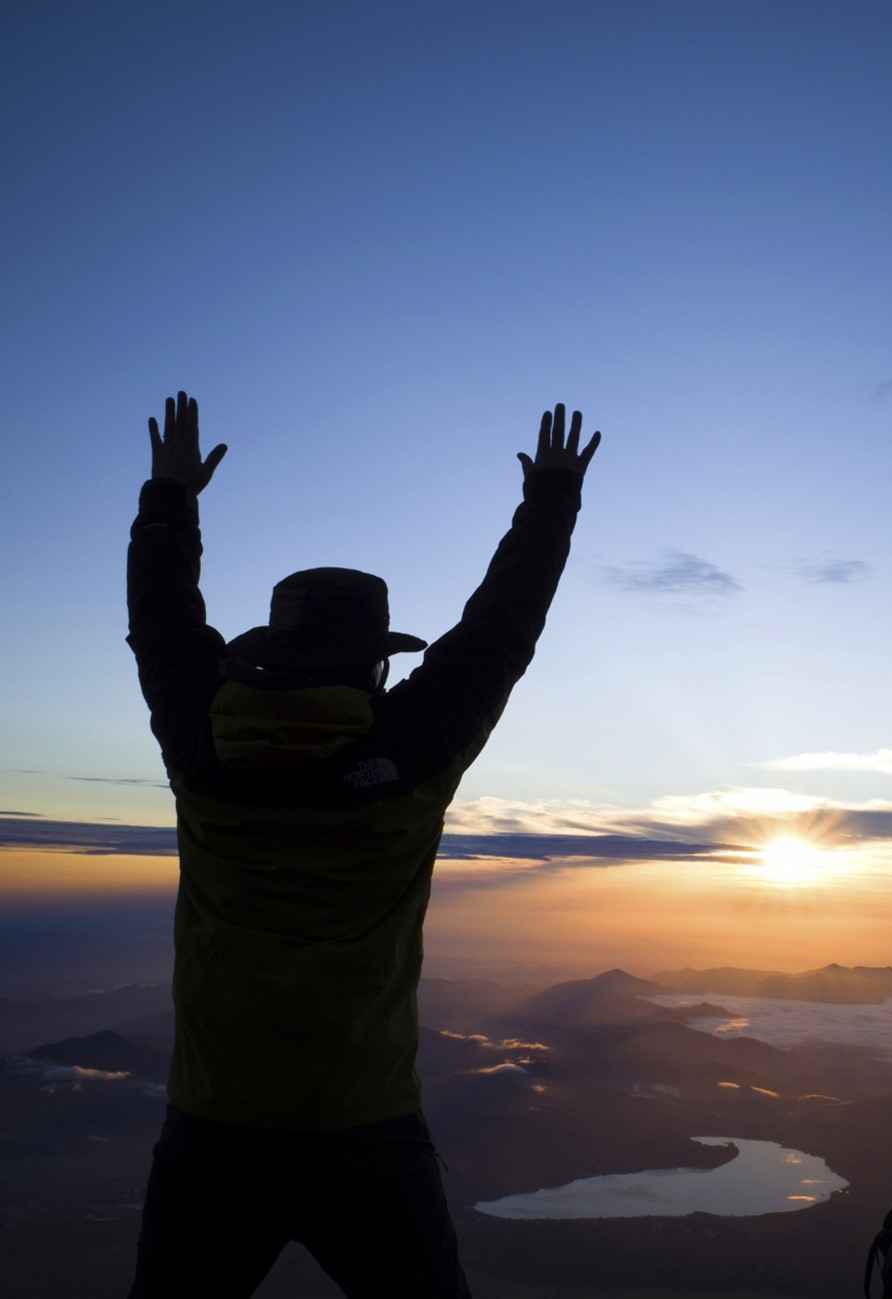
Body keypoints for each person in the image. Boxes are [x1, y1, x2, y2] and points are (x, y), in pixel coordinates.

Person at [125, 391, 600, 1298]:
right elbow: (500, 632)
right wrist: (551, 498)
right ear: (373, 664)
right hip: (366, 1130)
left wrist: (170, 495)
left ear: (266, 653)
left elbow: (163, 626)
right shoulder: (411, 750)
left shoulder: (201, 737)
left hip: (211, 1128)